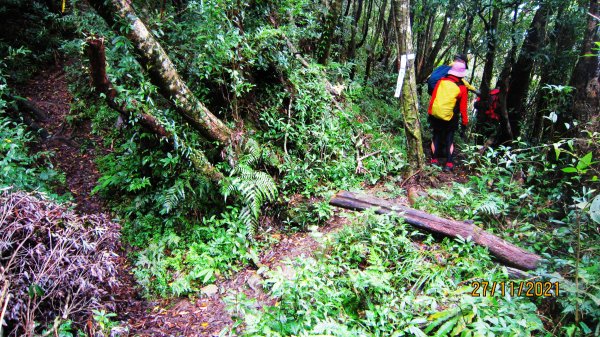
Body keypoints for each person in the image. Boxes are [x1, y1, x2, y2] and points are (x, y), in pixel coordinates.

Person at [427, 61, 469, 172]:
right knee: (449, 139)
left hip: (436, 115)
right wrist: (464, 122)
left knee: (436, 136)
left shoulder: (441, 81)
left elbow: (433, 98)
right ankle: (449, 164)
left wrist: (430, 113)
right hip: (451, 118)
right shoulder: (462, 88)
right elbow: (463, 108)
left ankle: (434, 161)